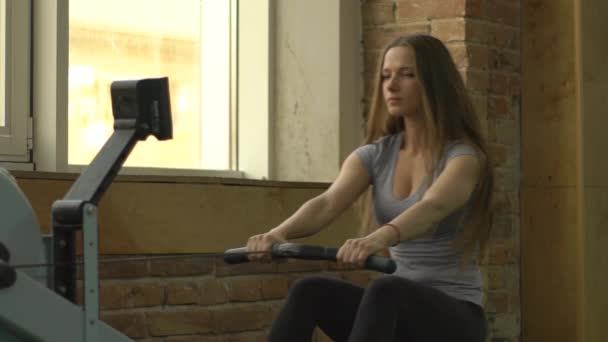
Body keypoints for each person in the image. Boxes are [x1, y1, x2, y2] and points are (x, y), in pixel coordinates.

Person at [246, 34, 493, 342]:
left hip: (455, 317)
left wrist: (377, 238)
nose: (391, 85)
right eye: (386, 76)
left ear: (434, 82)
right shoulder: (376, 155)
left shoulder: (464, 158)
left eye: (407, 75)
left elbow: (433, 208)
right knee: (310, 291)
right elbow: (326, 203)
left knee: (386, 288)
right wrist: (278, 234)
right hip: (395, 310)